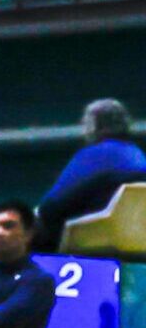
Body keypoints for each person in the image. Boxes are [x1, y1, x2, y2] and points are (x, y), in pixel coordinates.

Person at [36, 99, 146, 251]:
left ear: (94, 126)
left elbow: (49, 207)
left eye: (85, 123)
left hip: (91, 236)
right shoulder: (137, 154)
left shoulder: (93, 155)